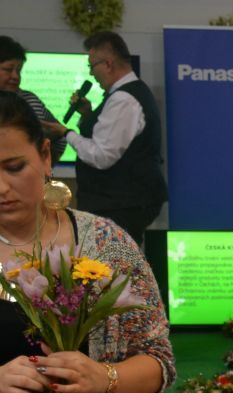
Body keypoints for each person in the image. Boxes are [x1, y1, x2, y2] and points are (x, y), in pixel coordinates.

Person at [0, 91, 174, 393]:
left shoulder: (108, 245)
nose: (2, 187)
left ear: (46, 156)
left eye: (14, 166)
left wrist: (105, 376)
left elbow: (159, 363)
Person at [41, 31, 166, 246]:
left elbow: (101, 156)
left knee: (115, 270)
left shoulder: (124, 99)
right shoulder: (128, 94)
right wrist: (87, 115)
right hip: (122, 202)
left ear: (108, 64)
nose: (91, 73)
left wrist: (65, 132)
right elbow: (108, 138)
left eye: (92, 66)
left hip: (120, 204)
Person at [0, 36, 66, 161]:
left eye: (19, 71)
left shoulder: (29, 101)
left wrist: (44, 166)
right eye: (8, 70)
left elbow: (60, 138)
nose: (15, 76)